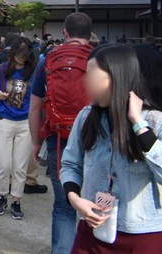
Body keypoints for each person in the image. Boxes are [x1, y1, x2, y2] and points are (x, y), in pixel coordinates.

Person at [60, 45, 162, 251]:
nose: (87, 84)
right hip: (92, 228)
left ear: (119, 78)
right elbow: (70, 164)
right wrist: (75, 199)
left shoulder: (154, 121)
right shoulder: (87, 117)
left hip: (141, 234)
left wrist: (138, 123)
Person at [29, 12, 93, 254]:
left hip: (59, 140)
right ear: (90, 34)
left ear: (65, 33)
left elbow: (35, 106)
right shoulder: (100, 58)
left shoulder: (48, 60)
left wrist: (36, 143)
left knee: (64, 205)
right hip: (94, 139)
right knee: (96, 205)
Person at [0, 37, 37, 220]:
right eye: (18, 52)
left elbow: (40, 94)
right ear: (12, 52)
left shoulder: (33, 72)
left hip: (25, 123)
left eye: (24, 53)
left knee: (20, 166)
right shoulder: (1, 69)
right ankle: (1, 196)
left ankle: (16, 200)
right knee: (4, 164)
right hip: (4, 120)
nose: (21, 57)